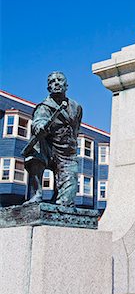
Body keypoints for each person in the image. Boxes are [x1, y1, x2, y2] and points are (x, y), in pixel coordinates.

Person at [23, 72, 82, 206]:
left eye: (59, 80)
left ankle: (58, 197)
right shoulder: (44, 106)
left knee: (66, 202)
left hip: (67, 153)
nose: (56, 83)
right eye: (51, 81)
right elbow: (38, 121)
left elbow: (76, 129)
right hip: (48, 148)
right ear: (48, 88)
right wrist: (40, 127)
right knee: (35, 148)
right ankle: (37, 194)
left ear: (66, 85)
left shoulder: (76, 107)